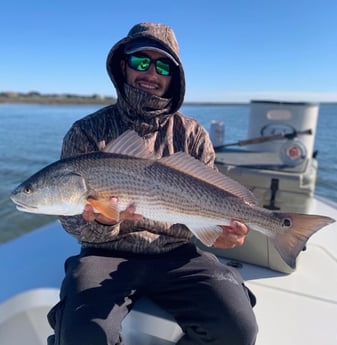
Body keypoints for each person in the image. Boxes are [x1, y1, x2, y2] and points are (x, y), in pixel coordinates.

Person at [47, 22, 258, 345]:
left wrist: (221, 235)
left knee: (238, 329)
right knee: (82, 335)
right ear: (123, 66)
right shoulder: (86, 132)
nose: (151, 73)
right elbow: (73, 223)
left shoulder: (192, 134)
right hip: (105, 254)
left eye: (163, 65)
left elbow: (208, 211)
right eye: (141, 62)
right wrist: (104, 223)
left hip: (178, 252)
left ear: (174, 76)